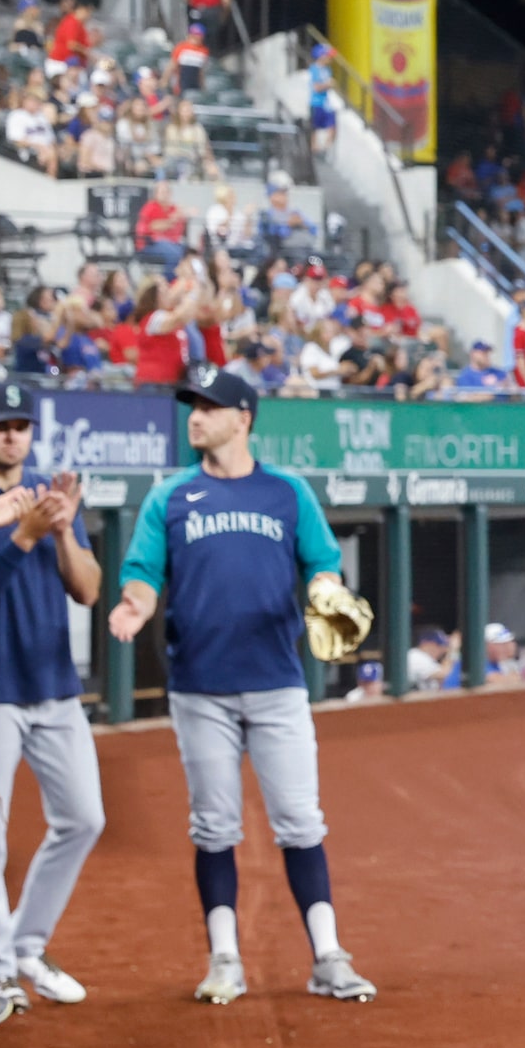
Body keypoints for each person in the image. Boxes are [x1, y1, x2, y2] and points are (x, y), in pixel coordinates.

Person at [104, 368, 377, 1005]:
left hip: (277, 683)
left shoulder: (286, 493)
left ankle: (328, 956)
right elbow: (143, 571)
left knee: (301, 820)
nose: (195, 416)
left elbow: (321, 563)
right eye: (192, 406)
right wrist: (133, 606)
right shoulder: (170, 496)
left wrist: (325, 593)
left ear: (243, 418)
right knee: (214, 826)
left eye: (209, 406)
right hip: (200, 689)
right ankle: (224, 958)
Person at [0, 383, 105, 1010]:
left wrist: (60, 531)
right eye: (0, 424)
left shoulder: (54, 500)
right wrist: (21, 531)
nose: (11, 435)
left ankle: (26, 943)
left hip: (54, 687)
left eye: (20, 424)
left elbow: (89, 590)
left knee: (84, 817)